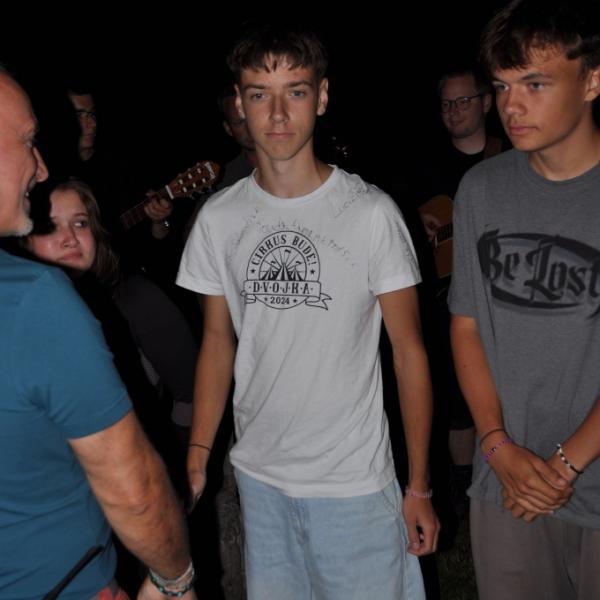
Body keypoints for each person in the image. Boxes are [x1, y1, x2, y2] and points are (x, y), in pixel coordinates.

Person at [178, 23, 439, 599]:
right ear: (239, 103)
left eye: (294, 92)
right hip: (259, 480)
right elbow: (218, 342)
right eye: (259, 94)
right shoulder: (218, 219)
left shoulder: (370, 213)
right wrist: (198, 456)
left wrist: (418, 484)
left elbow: (409, 351)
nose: (276, 114)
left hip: (352, 483)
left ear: (321, 97)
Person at [0, 67, 196, 599]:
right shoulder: (35, 298)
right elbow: (133, 490)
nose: (39, 166)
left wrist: (184, 471)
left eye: (82, 224)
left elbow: (186, 391)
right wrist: (176, 578)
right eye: (27, 141)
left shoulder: (134, 299)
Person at [448, 1, 600, 598]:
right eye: (502, 86)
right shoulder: (481, 188)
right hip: (507, 479)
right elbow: (466, 325)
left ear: (591, 81)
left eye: (535, 84)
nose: (511, 105)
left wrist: (564, 466)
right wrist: (495, 444)